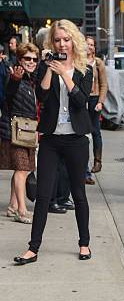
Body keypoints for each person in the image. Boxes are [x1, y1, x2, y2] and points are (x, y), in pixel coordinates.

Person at [14, 19, 93, 265]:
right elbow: (43, 95)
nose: (62, 44)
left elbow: (81, 102)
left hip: (76, 140)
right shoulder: (46, 67)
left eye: (66, 40)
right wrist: (49, 67)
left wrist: (65, 76)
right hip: (50, 139)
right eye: (57, 40)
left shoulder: (84, 69)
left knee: (79, 194)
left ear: (74, 41)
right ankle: (33, 248)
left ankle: (84, 243)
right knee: (44, 195)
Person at [0, 42, 39, 223]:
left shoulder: (31, 79)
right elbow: (8, 94)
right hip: (14, 131)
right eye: (27, 58)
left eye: (34, 59)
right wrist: (15, 78)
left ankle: (12, 205)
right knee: (22, 170)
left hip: (26, 132)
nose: (31, 62)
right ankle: (22, 210)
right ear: (19, 59)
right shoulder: (13, 76)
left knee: (20, 170)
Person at [85, 36, 107, 176]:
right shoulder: (78, 61)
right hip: (81, 100)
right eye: (87, 44)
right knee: (82, 135)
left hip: (94, 100)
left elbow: (104, 84)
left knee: (95, 131)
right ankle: (83, 168)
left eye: (92, 45)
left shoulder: (98, 63)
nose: (89, 47)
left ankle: (97, 161)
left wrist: (100, 101)